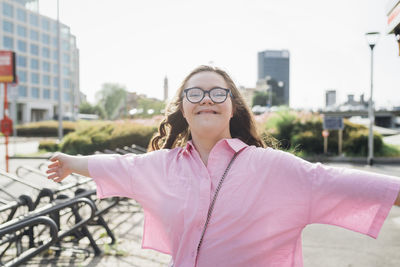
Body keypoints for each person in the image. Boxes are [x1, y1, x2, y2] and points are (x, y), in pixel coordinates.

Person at [47, 65, 400, 267]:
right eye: (194, 93)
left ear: (233, 107)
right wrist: (70, 162)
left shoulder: (275, 168)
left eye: (218, 93)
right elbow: (121, 166)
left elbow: (342, 183)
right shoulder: (161, 166)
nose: (206, 100)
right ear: (182, 108)